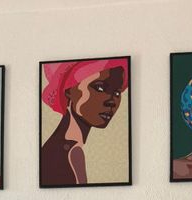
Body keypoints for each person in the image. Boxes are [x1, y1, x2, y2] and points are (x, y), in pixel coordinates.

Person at [41, 58, 129, 186]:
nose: (111, 101)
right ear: (69, 90)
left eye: (117, 92)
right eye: (99, 87)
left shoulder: (65, 149)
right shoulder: (67, 154)